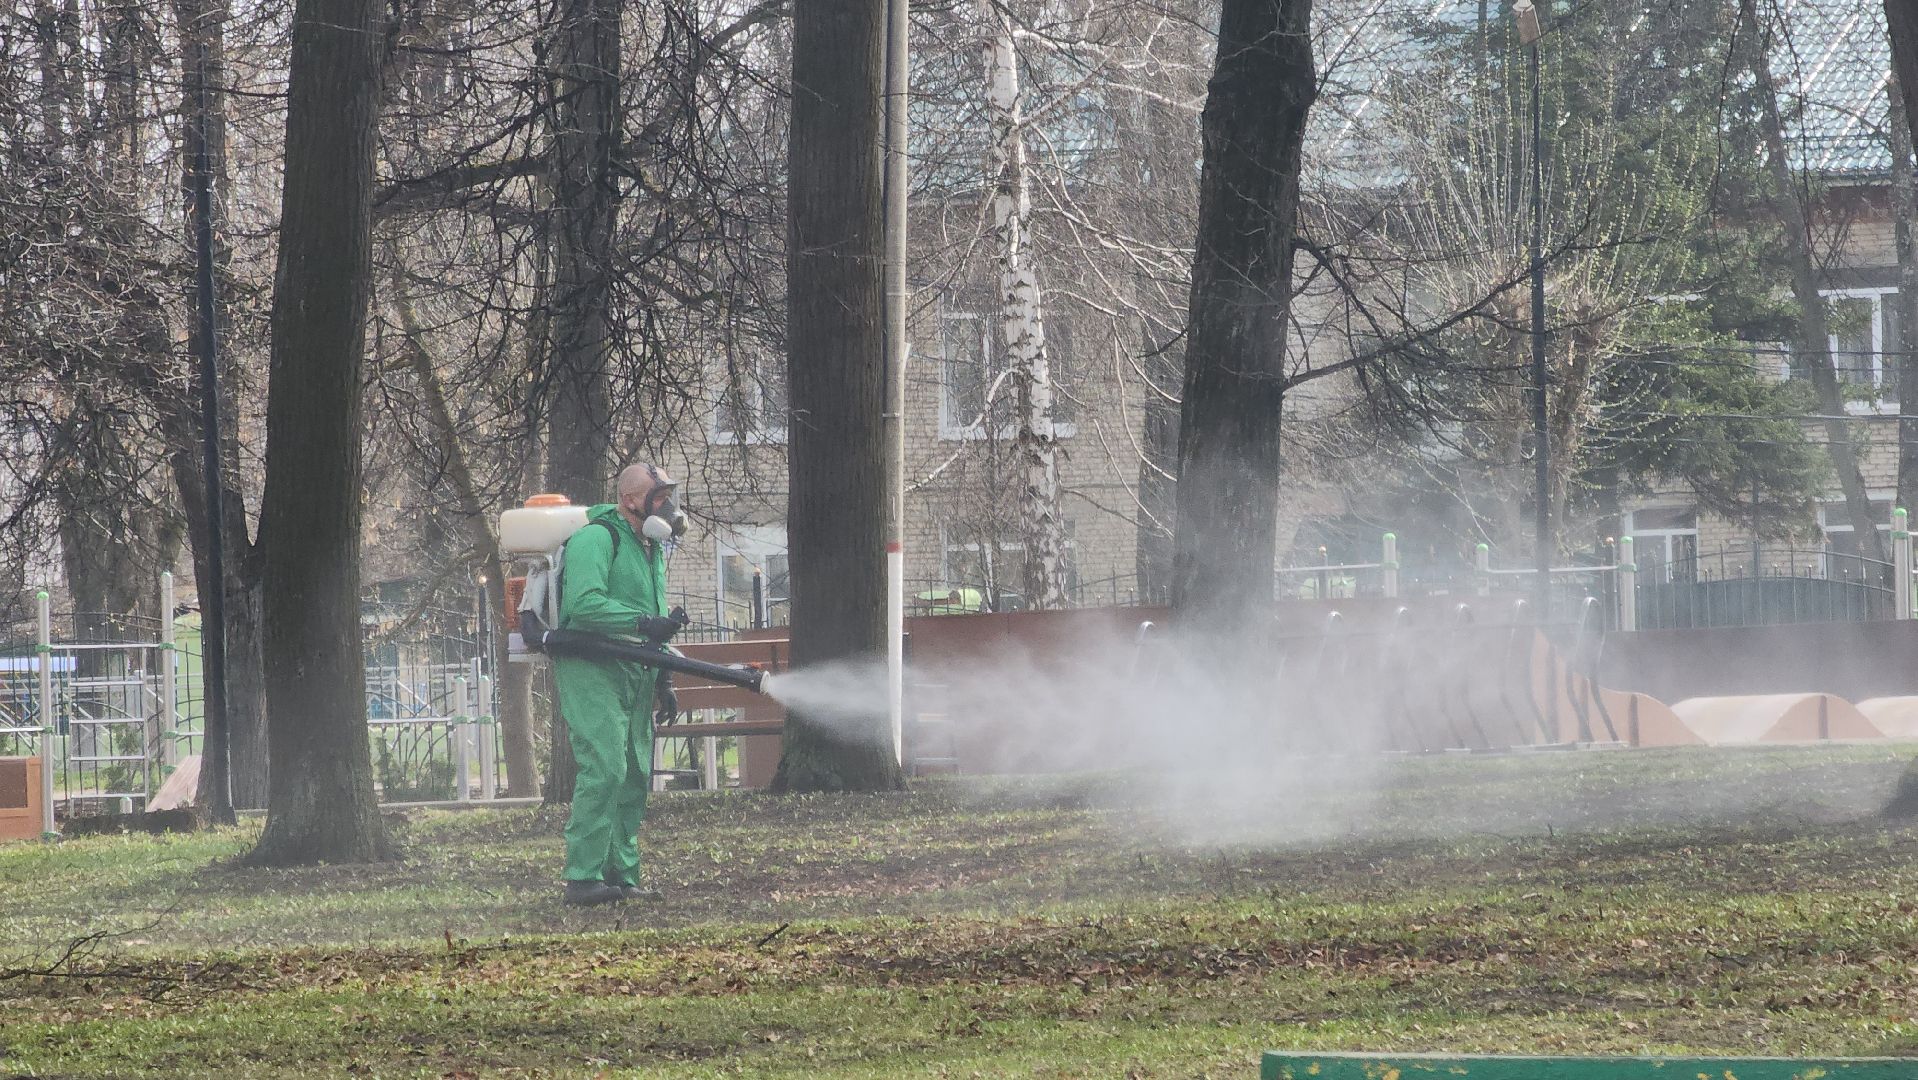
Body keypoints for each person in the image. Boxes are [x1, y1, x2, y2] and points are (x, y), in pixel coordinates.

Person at [552, 462, 688, 906]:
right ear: (631, 500)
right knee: (606, 766)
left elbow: (658, 619)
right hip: (592, 666)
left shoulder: (649, 548)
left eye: (669, 495)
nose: (667, 505)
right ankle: (582, 877)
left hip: (634, 668)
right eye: (658, 496)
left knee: (633, 773)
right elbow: (584, 604)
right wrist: (642, 623)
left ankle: (621, 876)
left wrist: (664, 676)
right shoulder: (597, 538)